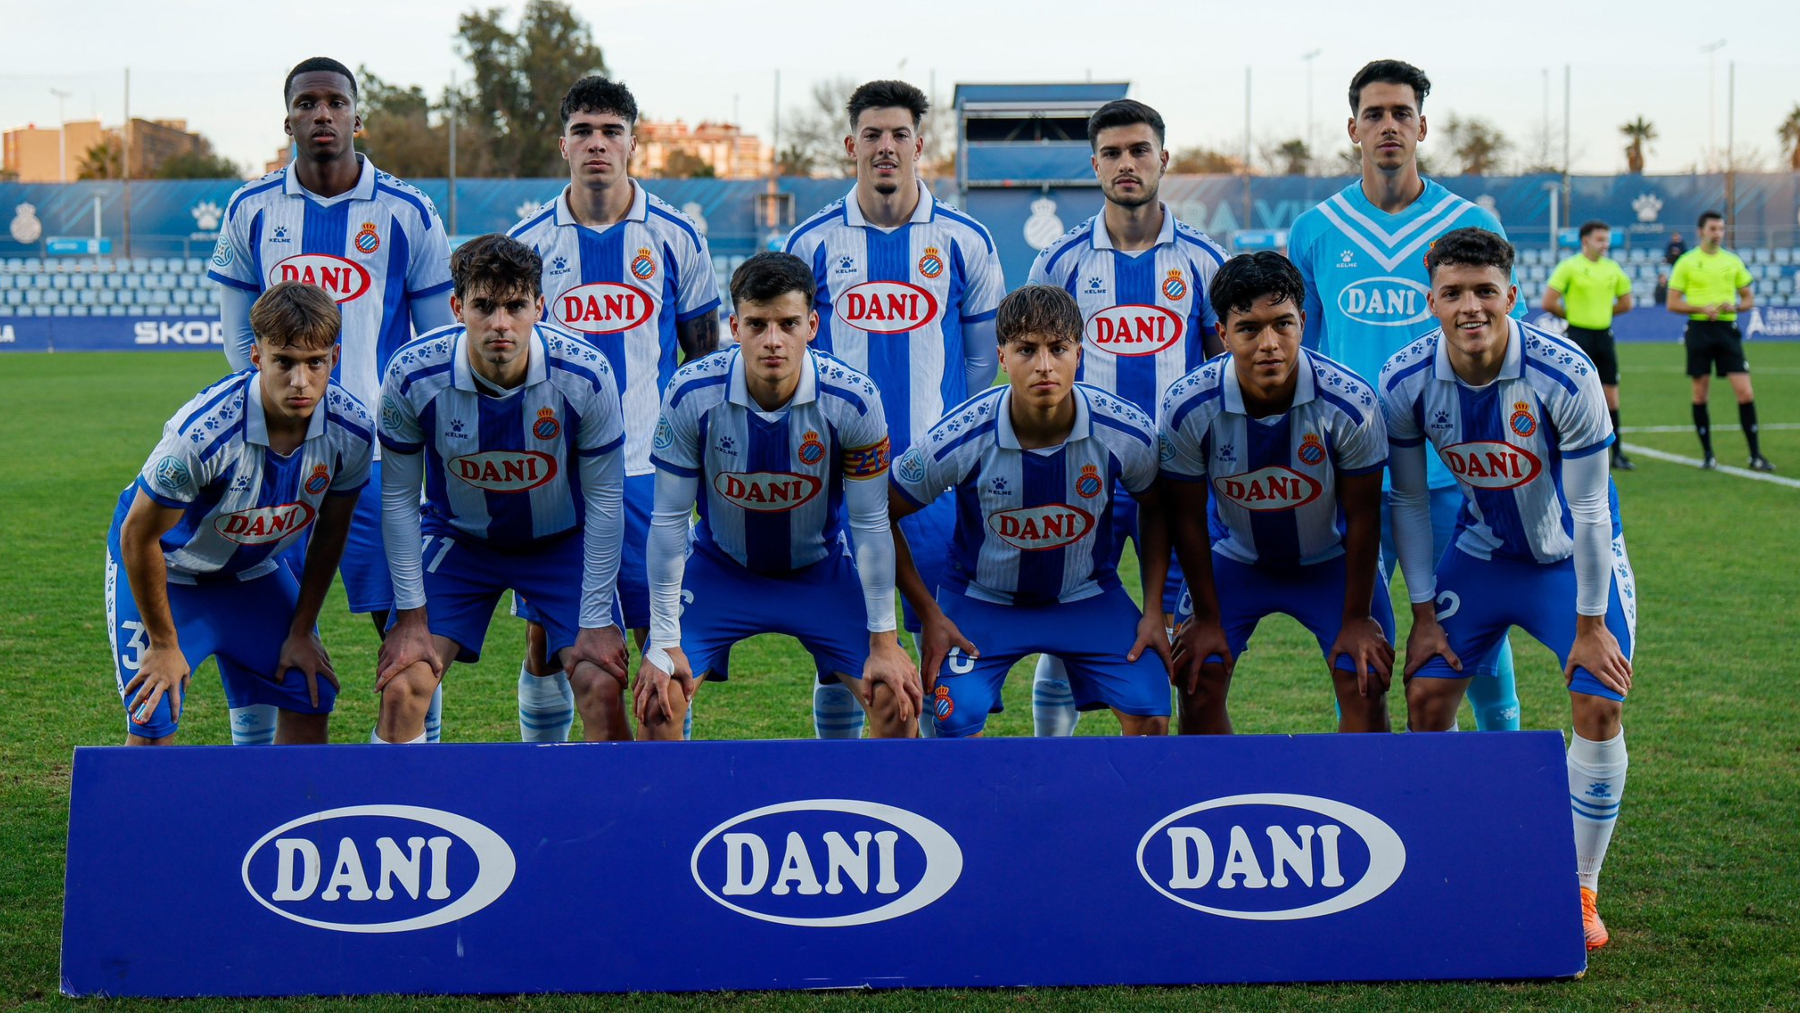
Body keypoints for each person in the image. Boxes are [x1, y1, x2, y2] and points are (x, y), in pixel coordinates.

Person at [1382, 227, 1636, 950]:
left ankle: (1580, 887)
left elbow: (1589, 510)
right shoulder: (1406, 380)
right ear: (1430, 300)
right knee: (1427, 693)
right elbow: (1406, 502)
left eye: (1484, 291)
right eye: (1454, 292)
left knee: (1597, 697)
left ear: (1511, 296)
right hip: (1485, 552)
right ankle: (1456, 855)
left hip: (1570, 561)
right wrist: (1423, 614)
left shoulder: (1566, 372)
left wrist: (1591, 626)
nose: (1470, 307)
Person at [208, 56, 456, 740]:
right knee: (268, 618)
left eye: (335, 102)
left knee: (408, 622)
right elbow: (238, 340)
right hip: (275, 459)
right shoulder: (251, 208)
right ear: (287, 116)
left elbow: (438, 343)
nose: (322, 114)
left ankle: (415, 767)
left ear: (356, 116)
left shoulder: (407, 211)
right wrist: (278, 412)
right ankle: (262, 780)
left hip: (378, 458)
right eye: (308, 102)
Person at [1286, 58, 1523, 732]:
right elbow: (1298, 346)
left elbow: (1508, 340)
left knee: (1474, 642)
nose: (1388, 124)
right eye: (1374, 114)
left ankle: (1498, 780)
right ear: (1352, 128)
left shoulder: (1467, 222)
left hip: (1456, 470)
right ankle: (1377, 797)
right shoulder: (1315, 229)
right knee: (1355, 645)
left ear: (1422, 125)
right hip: (1353, 474)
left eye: (1401, 113)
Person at [785, 79, 1005, 738]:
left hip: (932, 482)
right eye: (873, 135)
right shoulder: (812, 243)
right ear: (851, 144)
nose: (886, 147)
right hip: (836, 476)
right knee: (841, 652)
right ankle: (848, 787)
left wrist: (943, 448)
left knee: (940, 641)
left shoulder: (965, 241)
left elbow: (979, 363)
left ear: (920, 144)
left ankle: (940, 793)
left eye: (899, 135)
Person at [506, 76, 723, 741]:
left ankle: (665, 786)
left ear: (634, 141)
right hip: (554, 475)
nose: (597, 143)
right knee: (551, 643)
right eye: (583, 131)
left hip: (644, 474)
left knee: (659, 639)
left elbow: (703, 360)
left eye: (610, 130)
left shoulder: (676, 236)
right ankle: (551, 776)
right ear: (563, 144)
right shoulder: (530, 243)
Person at [632, 253, 919, 739]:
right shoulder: (691, 393)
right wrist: (662, 640)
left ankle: (865, 812)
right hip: (720, 569)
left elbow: (870, 526)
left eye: (787, 324)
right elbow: (667, 522)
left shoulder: (853, 399)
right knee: (660, 699)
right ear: (734, 326)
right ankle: (673, 815)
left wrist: (886, 640)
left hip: (820, 569)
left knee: (895, 699)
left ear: (812, 325)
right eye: (757, 324)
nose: (772, 341)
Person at [372, 234, 628, 744]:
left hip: (562, 542)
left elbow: (604, 503)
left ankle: (615, 822)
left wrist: (597, 618)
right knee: (403, 688)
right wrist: (411, 618)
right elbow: (399, 501)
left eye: (515, 306)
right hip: (460, 540)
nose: (500, 324)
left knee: (602, 686)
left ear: (540, 306)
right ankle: (403, 817)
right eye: (483, 306)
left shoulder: (585, 376)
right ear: (456, 307)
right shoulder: (412, 374)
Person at [1024, 98, 1227, 737]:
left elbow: (1227, 375)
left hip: (1182, 485)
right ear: (1095, 166)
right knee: (1066, 630)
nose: (1127, 163)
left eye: (1140, 150)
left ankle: (1189, 785)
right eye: (1112, 153)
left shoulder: (1202, 260)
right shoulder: (1059, 263)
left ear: (1163, 158)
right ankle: (1049, 774)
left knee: (1192, 636)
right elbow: (1036, 375)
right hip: (1089, 481)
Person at [888, 285, 1171, 738]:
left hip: (1087, 597)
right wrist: (930, 613)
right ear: (1002, 357)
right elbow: (880, 512)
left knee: (1152, 712)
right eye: (1026, 350)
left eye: (1058, 349)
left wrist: (1154, 607)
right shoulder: (960, 435)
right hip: (982, 601)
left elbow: (1157, 507)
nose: (1044, 366)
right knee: (953, 719)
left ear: (1080, 354)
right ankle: (971, 810)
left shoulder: (1124, 430)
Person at [107, 282, 372, 745]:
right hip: (167, 572)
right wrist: (165, 645)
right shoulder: (203, 435)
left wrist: (303, 629)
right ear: (256, 356)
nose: (300, 381)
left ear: (334, 357)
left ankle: (290, 816)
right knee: (153, 713)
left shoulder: (352, 431)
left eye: (315, 362)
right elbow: (138, 536)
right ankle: (141, 817)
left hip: (251, 574)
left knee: (308, 690)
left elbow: (331, 530)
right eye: (283, 362)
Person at [1161, 253, 1395, 734]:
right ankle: (1219, 805)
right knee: (1196, 680)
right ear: (1222, 334)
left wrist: (1356, 619)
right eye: (1249, 328)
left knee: (1365, 681)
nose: (1269, 344)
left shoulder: (1350, 403)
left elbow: (1366, 516)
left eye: (1283, 324)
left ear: (1303, 322)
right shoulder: (1187, 407)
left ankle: (1356, 808)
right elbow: (1184, 519)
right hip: (1237, 559)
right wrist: (1205, 616)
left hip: (1331, 560)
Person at [1667, 211, 1770, 471]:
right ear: (1700, 231)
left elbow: (1748, 299)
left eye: (1721, 229)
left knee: (1745, 392)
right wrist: (1701, 309)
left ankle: (1756, 455)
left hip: (1727, 330)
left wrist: (1734, 304)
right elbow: (1673, 302)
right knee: (1700, 393)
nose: (1718, 233)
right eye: (1713, 228)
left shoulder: (1732, 261)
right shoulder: (1686, 262)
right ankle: (1708, 454)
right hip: (1700, 331)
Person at [1543, 220, 1636, 470]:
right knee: (1573, 395)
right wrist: (1573, 317)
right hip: (1578, 337)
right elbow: (1549, 300)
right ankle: (1565, 450)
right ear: (1585, 241)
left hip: (1604, 336)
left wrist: (1603, 313)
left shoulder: (1613, 268)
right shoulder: (1570, 266)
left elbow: (1627, 302)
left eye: (1607, 240)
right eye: (1600, 239)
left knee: (1611, 397)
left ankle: (1617, 454)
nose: (1605, 244)